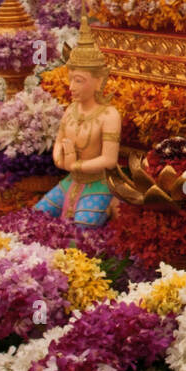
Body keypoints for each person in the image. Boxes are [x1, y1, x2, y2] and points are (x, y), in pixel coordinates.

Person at [35, 17, 121, 227]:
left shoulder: (109, 115)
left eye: (79, 80)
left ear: (99, 81)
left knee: (82, 229)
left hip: (98, 184)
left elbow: (109, 160)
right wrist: (60, 160)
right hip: (71, 181)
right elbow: (58, 142)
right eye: (71, 78)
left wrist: (77, 164)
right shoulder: (71, 110)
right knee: (37, 217)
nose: (71, 86)